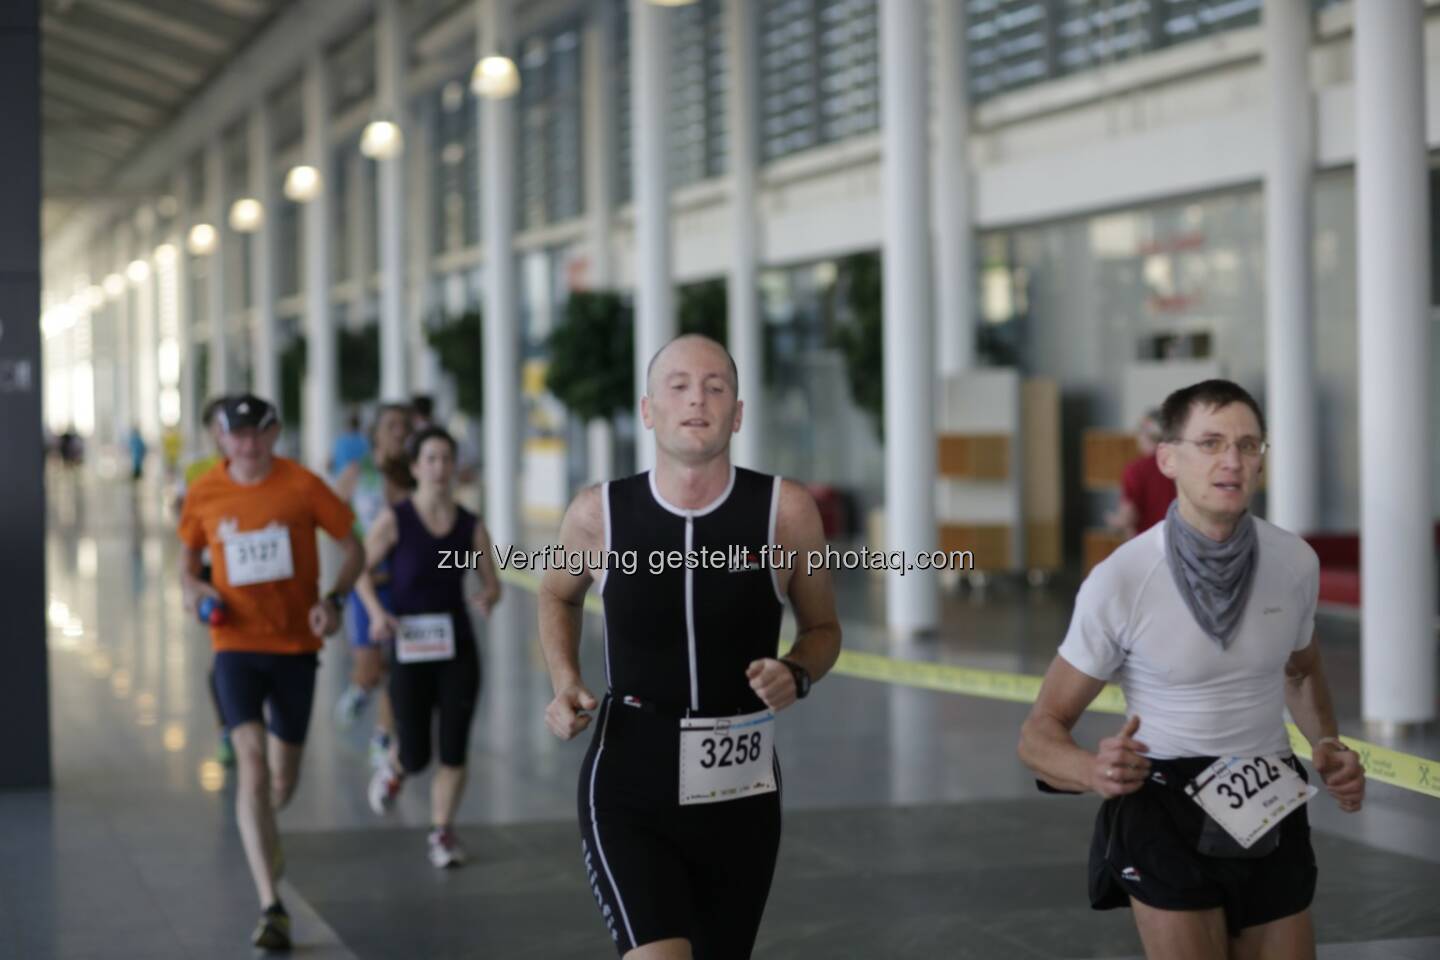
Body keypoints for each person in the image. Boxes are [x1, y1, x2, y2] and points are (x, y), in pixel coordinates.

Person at [1018, 379, 1366, 960]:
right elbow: (1039, 731)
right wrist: (1089, 769)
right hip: (1162, 803)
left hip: (1268, 790)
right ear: (1168, 458)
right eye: (1210, 443)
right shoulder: (1122, 579)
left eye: (1249, 445)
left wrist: (1326, 743)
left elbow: (1300, 673)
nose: (1232, 460)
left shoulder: (1293, 562)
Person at [538, 334, 842, 959]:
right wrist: (564, 678)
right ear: (648, 410)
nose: (696, 401)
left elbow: (824, 631)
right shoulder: (600, 514)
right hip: (629, 778)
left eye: (715, 387)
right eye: (677, 387)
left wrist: (797, 673)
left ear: (738, 412)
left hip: (742, 788)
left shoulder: (784, 511)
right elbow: (556, 595)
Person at [178, 394, 364, 952]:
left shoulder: (303, 485)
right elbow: (187, 559)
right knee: (252, 770)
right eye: (237, 436)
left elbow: (351, 548)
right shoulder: (205, 490)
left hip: (296, 647)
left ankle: (266, 829)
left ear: (275, 432)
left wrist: (333, 600)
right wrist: (194, 590)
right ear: (221, 438)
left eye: (257, 434)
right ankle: (271, 904)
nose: (248, 445)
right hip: (233, 642)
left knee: (281, 782)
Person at [357, 426, 502, 868]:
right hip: (410, 647)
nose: (440, 468)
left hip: (456, 645)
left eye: (447, 459)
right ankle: (396, 768)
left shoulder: (469, 525)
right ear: (417, 467)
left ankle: (442, 831)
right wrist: (378, 615)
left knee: (454, 745)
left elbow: (491, 582)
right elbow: (358, 570)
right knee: (418, 752)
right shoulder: (395, 520)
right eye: (431, 459)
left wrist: (487, 598)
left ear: (457, 467)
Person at [331, 403, 413, 766]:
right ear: (376, 432)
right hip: (368, 586)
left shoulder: (415, 475)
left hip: (407, 585)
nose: (399, 432)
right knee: (371, 666)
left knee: (398, 666)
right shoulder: (357, 473)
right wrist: (353, 547)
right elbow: (332, 514)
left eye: (405, 426)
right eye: (392, 425)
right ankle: (360, 688)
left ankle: (383, 735)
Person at [176, 395, 237, 767]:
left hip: (260, 579)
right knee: (225, 651)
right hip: (214, 574)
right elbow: (185, 528)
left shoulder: (269, 471)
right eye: (221, 425)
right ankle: (227, 726)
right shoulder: (196, 471)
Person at [1107, 409, 1175, 538]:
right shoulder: (1181, 465)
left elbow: (1128, 517)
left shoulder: (1135, 470)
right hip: (1181, 544)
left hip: (1147, 545)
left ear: (1144, 435)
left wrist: (1116, 522)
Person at [330, 410, 370, 476]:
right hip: (358, 478)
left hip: (341, 477)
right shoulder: (364, 441)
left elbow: (332, 461)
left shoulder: (340, 441)